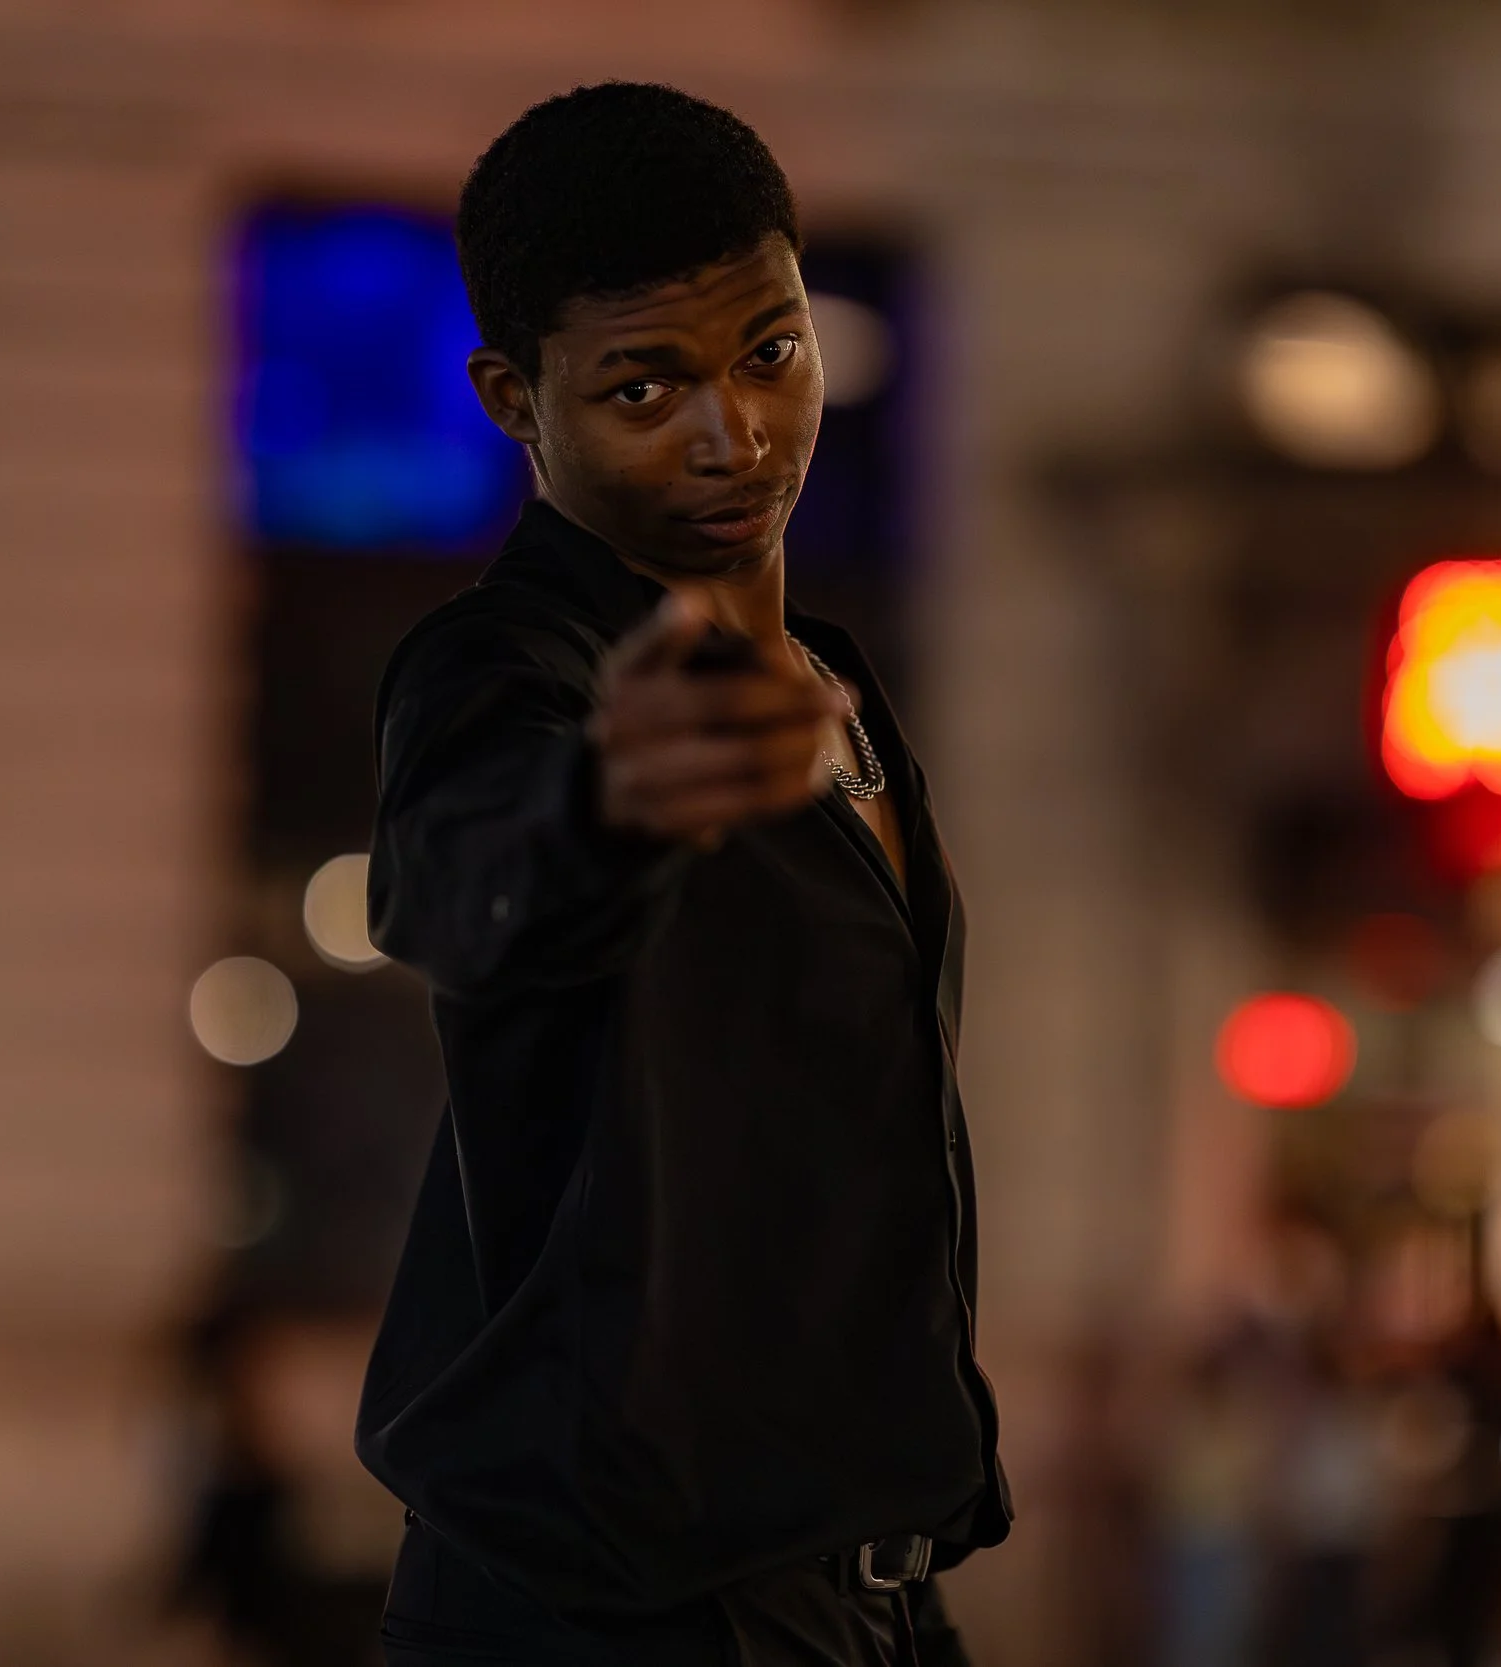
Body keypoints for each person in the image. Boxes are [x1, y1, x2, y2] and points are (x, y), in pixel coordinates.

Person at [356, 81, 1011, 1666]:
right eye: (645, 390)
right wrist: (606, 806)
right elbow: (451, 885)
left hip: (865, 1601)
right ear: (517, 399)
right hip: (606, 1618)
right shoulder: (507, 673)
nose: (738, 433)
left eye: (773, 354)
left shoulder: (842, 685)